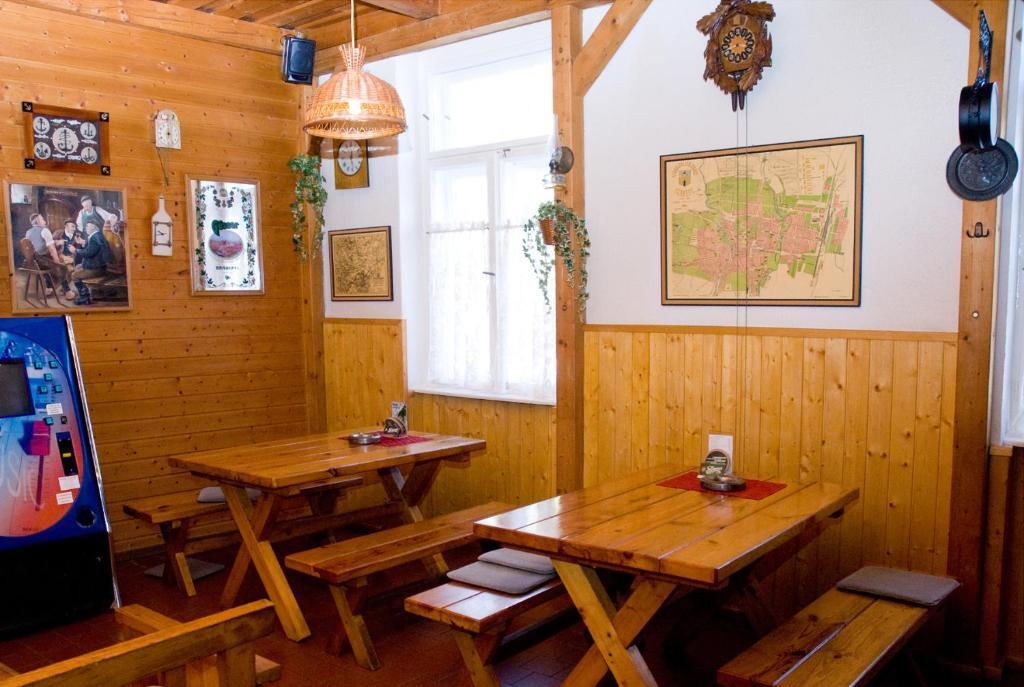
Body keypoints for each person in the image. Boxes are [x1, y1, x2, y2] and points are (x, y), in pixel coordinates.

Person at [24, 213, 75, 300]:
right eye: (42, 219)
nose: (44, 221)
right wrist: (57, 261)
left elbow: (38, 245)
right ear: (38, 221)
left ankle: (48, 288)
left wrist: (55, 242)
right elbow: (51, 249)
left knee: (49, 265)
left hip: (34, 261)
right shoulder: (45, 231)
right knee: (61, 267)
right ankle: (67, 291)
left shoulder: (28, 232)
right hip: (43, 259)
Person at [70, 219, 113, 305]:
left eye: (87, 226)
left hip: (96, 269)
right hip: (99, 266)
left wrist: (76, 250)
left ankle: (84, 297)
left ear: (93, 227)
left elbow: (89, 253)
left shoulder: (94, 238)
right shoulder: (97, 235)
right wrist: (83, 242)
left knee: (74, 276)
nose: (85, 228)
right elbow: (93, 248)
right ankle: (88, 292)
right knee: (77, 267)